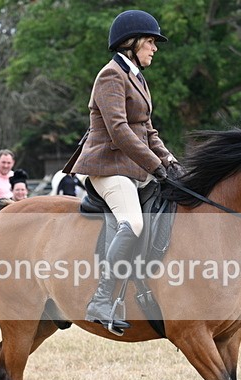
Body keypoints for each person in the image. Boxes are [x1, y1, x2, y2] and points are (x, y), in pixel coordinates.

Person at [70, 9, 182, 334]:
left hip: (133, 167)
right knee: (132, 221)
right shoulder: (110, 76)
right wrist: (155, 166)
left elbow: (148, 131)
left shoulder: (136, 77)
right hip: (107, 166)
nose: (154, 48)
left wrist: (172, 164)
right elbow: (119, 131)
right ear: (131, 43)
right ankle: (102, 300)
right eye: (150, 41)